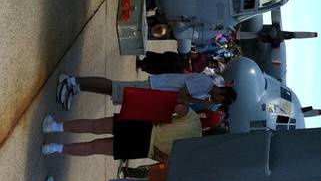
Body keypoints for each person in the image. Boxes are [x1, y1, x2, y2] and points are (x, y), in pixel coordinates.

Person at [40, 107, 201, 163]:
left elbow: (178, 107)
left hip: (145, 127)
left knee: (94, 125)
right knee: (94, 147)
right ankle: (53, 148)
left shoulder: (194, 122)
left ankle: (53, 126)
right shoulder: (194, 156)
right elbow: (169, 162)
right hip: (145, 149)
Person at [56, 71, 235, 111]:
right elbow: (181, 95)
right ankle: (71, 81)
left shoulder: (206, 92)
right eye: (219, 101)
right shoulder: (205, 84)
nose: (215, 103)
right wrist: (199, 103)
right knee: (114, 87)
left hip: (155, 92)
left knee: (113, 92)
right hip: (154, 87)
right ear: (222, 92)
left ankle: (78, 87)